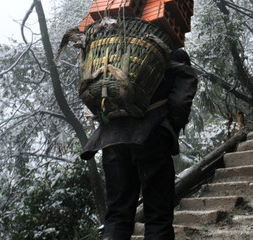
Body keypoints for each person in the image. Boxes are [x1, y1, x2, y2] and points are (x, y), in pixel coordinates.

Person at [81, 48, 198, 240]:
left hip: (112, 139)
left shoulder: (124, 59)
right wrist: (168, 129)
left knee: (117, 213)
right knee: (158, 215)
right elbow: (179, 104)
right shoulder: (175, 67)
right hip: (150, 136)